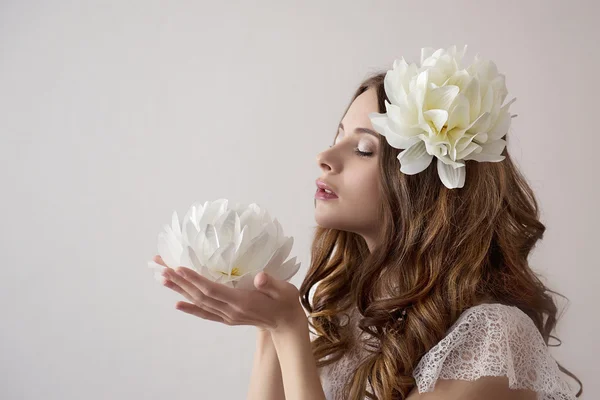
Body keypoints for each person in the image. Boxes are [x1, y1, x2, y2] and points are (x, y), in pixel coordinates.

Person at [153, 46, 583, 400]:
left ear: (425, 185)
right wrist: (269, 324)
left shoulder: (493, 339)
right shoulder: (347, 319)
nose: (325, 157)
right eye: (337, 135)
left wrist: (288, 329)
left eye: (362, 149)